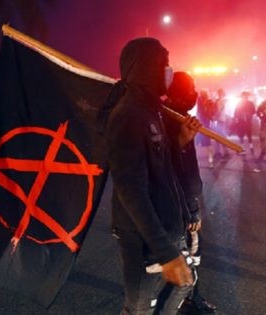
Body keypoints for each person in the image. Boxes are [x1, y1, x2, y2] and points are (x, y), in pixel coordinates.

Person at [105, 37, 198, 314]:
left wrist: (180, 142)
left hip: (168, 226)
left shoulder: (152, 111)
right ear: (146, 67)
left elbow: (163, 172)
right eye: (164, 64)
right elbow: (131, 190)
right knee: (139, 308)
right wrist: (165, 251)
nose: (168, 71)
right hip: (142, 237)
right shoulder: (127, 115)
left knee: (184, 284)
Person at [164, 71, 217, 314]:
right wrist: (192, 210)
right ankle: (184, 300)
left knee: (191, 254)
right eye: (188, 89)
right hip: (178, 205)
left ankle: (189, 296)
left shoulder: (181, 118)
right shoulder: (165, 120)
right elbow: (169, 167)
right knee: (189, 255)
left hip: (186, 202)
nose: (193, 94)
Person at [196, 90, 216, 168]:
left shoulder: (201, 101)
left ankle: (210, 161)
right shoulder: (207, 101)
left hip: (201, 124)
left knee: (201, 143)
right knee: (207, 144)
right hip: (204, 124)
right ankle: (210, 161)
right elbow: (211, 113)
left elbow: (201, 112)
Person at [212, 88, 229, 158]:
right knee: (220, 136)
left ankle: (220, 152)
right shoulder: (223, 100)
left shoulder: (219, 101)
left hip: (219, 120)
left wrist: (215, 117)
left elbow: (219, 111)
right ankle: (223, 151)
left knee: (219, 136)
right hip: (222, 119)